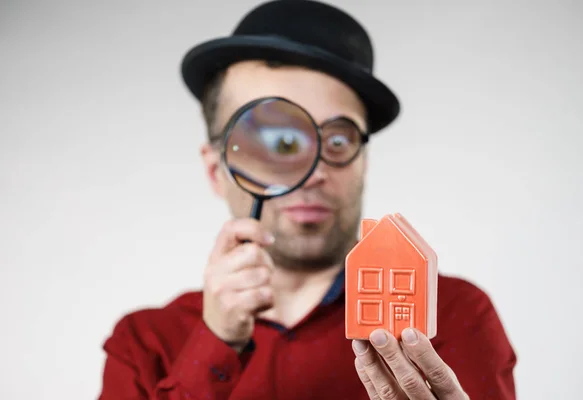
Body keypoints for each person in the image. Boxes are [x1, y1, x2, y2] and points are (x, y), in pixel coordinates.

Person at [98, 1, 517, 399]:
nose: (314, 171)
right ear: (217, 171)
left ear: (363, 162)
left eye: (337, 139)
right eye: (277, 141)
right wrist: (215, 345)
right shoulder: (142, 344)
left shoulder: (451, 316)